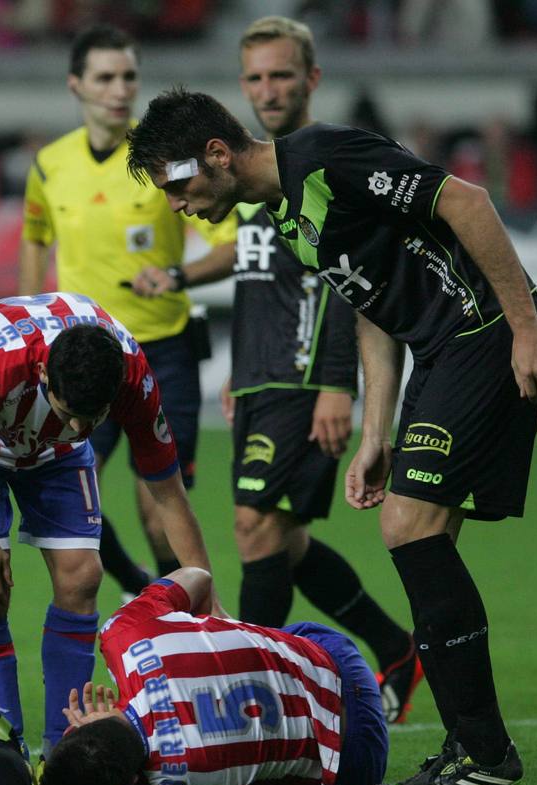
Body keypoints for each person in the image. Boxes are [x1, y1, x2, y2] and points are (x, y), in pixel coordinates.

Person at [127, 87, 537, 785]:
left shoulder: (324, 158)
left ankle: (486, 754)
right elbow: (370, 308)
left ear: (215, 153)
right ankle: (467, 744)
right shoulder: (285, 215)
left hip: (482, 334)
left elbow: (468, 202)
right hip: (437, 350)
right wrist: (375, 433)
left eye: (177, 184)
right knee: (423, 539)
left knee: (408, 527)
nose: (177, 205)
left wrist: (525, 324)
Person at [191, 16, 421, 724]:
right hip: (261, 371)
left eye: (281, 75)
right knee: (279, 538)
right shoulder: (255, 170)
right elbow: (256, 266)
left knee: (255, 530)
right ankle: (394, 648)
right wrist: (230, 355)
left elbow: (347, 283)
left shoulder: (319, 167)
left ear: (311, 79)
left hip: (303, 376)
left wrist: (336, 384)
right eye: (255, 77)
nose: (268, 89)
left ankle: (258, 689)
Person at [0, 294, 220, 759]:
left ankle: (63, 747)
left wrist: (208, 603)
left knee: (83, 575)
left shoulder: (132, 377)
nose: (77, 425)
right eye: (67, 411)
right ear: (42, 376)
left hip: (55, 458)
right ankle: (4, 750)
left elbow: (169, 495)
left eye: (92, 418)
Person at [19, 25, 235, 598]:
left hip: (162, 349)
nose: (120, 89)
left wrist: (178, 275)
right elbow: (36, 237)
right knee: (60, 492)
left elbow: (232, 243)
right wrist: (27, 320)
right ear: (76, 85)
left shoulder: (169, 157)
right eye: (105, 77)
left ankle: (182, 616)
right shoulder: (50, 165)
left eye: (129, 76)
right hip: (81, 352)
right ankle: (141, 588)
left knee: (155, 504)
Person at [39, 566, 388, 785]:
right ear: (89, 722)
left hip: (355, 763)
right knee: (278, 641)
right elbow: (197, 576)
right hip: (337, 662)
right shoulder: (123, 633)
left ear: (130, 783)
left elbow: (147, 762)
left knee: (265, 781)